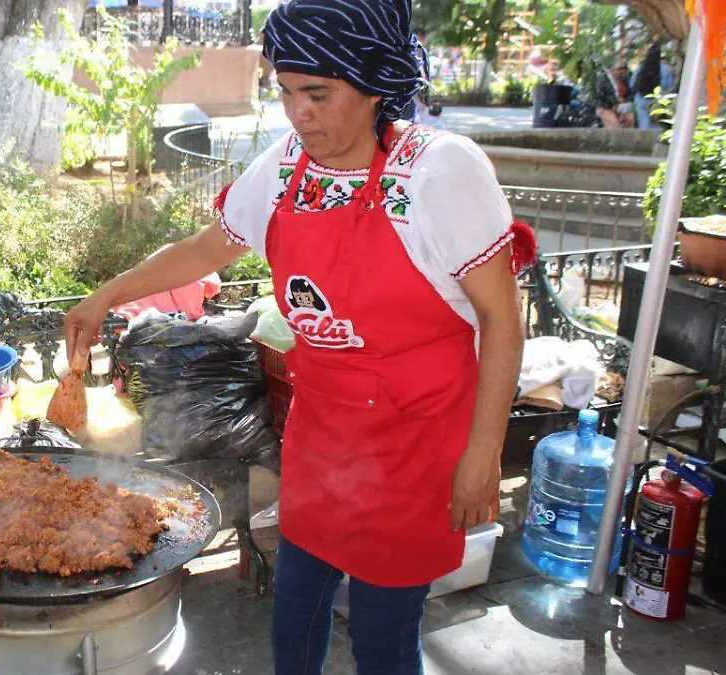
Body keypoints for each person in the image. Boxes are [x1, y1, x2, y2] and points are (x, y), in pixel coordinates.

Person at [64, 1, 534, 673]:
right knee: (296, 606)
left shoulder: (440, 173)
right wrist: (107, 293)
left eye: (318, 93)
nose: (298, 112)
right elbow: (208, 248)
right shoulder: (288, 168)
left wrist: (483, 453)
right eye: (285, 91)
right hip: (324, 436)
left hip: (415, 439)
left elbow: (501, 318)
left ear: (375, 86)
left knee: (383, 632)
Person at [632, 44, 664, 130]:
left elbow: (634, 84)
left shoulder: (643, 67)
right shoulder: (659, 69)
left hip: (641, 97)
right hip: (652, 98)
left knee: (643, 121)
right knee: (653, 122)